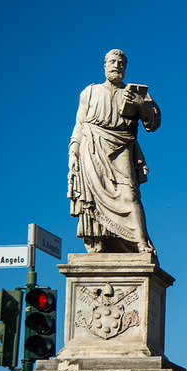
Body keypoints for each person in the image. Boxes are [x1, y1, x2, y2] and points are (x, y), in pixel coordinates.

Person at [68, 49, 160, 254]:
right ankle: (99, 241)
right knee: (93, 195)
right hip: (91, 148)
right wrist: (73, 150)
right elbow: (79, 124)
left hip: (122, 146)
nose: (116, 66)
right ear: (104, 65)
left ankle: (140, 242)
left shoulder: (135, 92)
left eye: (120, 63)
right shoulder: (89, 92)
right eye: (112, 62)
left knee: (129, 194)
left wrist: (140, 105)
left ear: (125, 67)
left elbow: (154, 122)